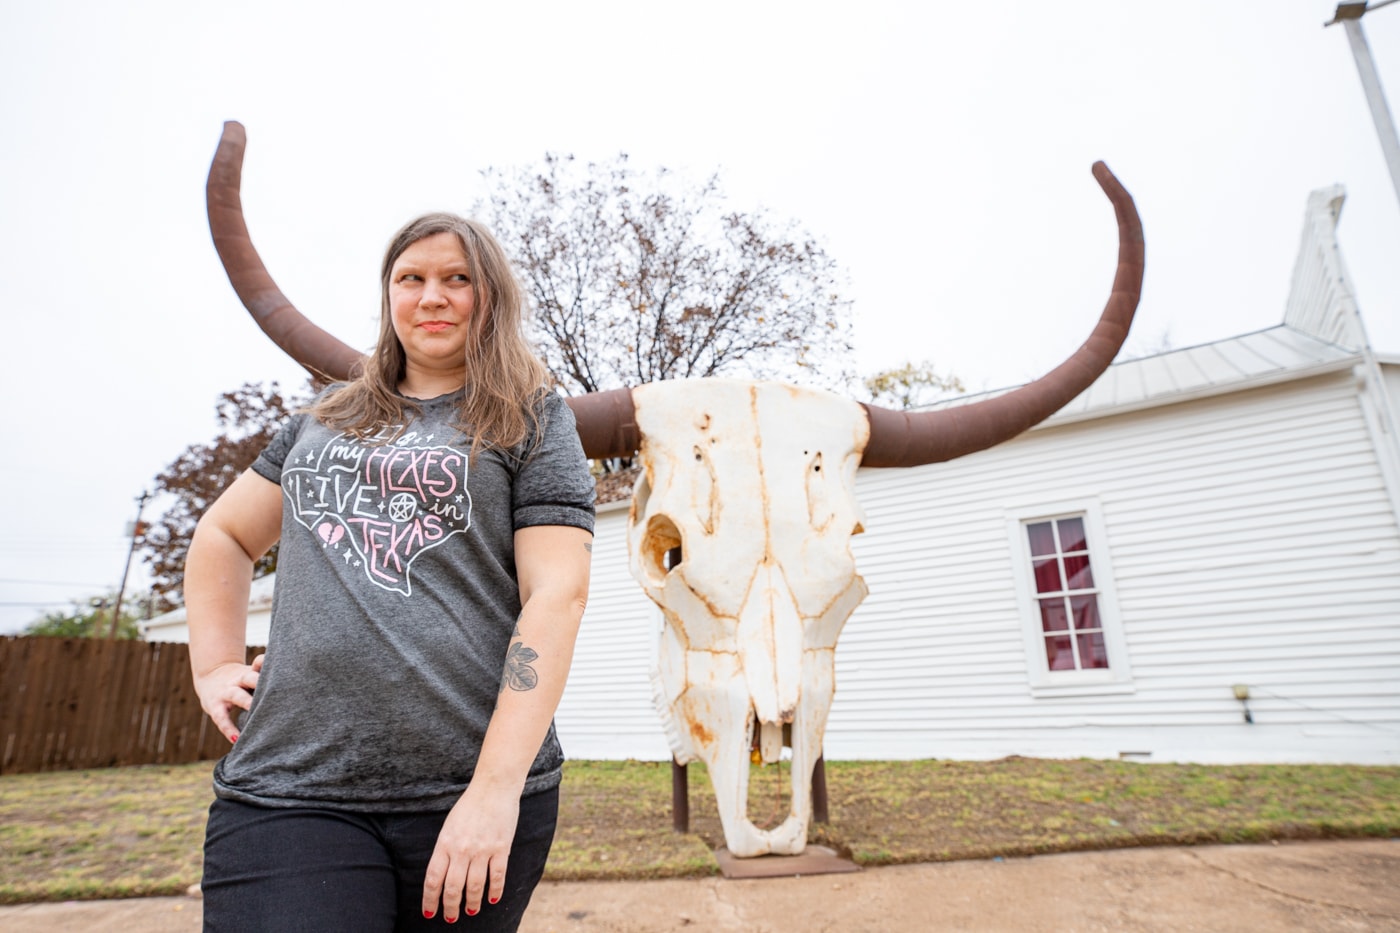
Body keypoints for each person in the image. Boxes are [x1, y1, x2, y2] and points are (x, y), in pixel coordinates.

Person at [186, 212, 595, 931]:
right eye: (412, 279)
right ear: (390, 297)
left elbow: (556, 593)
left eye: (456, 279)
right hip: (289, 784)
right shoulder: (323, 419)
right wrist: (214, 663)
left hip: (469, 792)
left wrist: (494, 792)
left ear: (490, 296)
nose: (431, 296)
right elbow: (222, 533)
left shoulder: (530, 420)